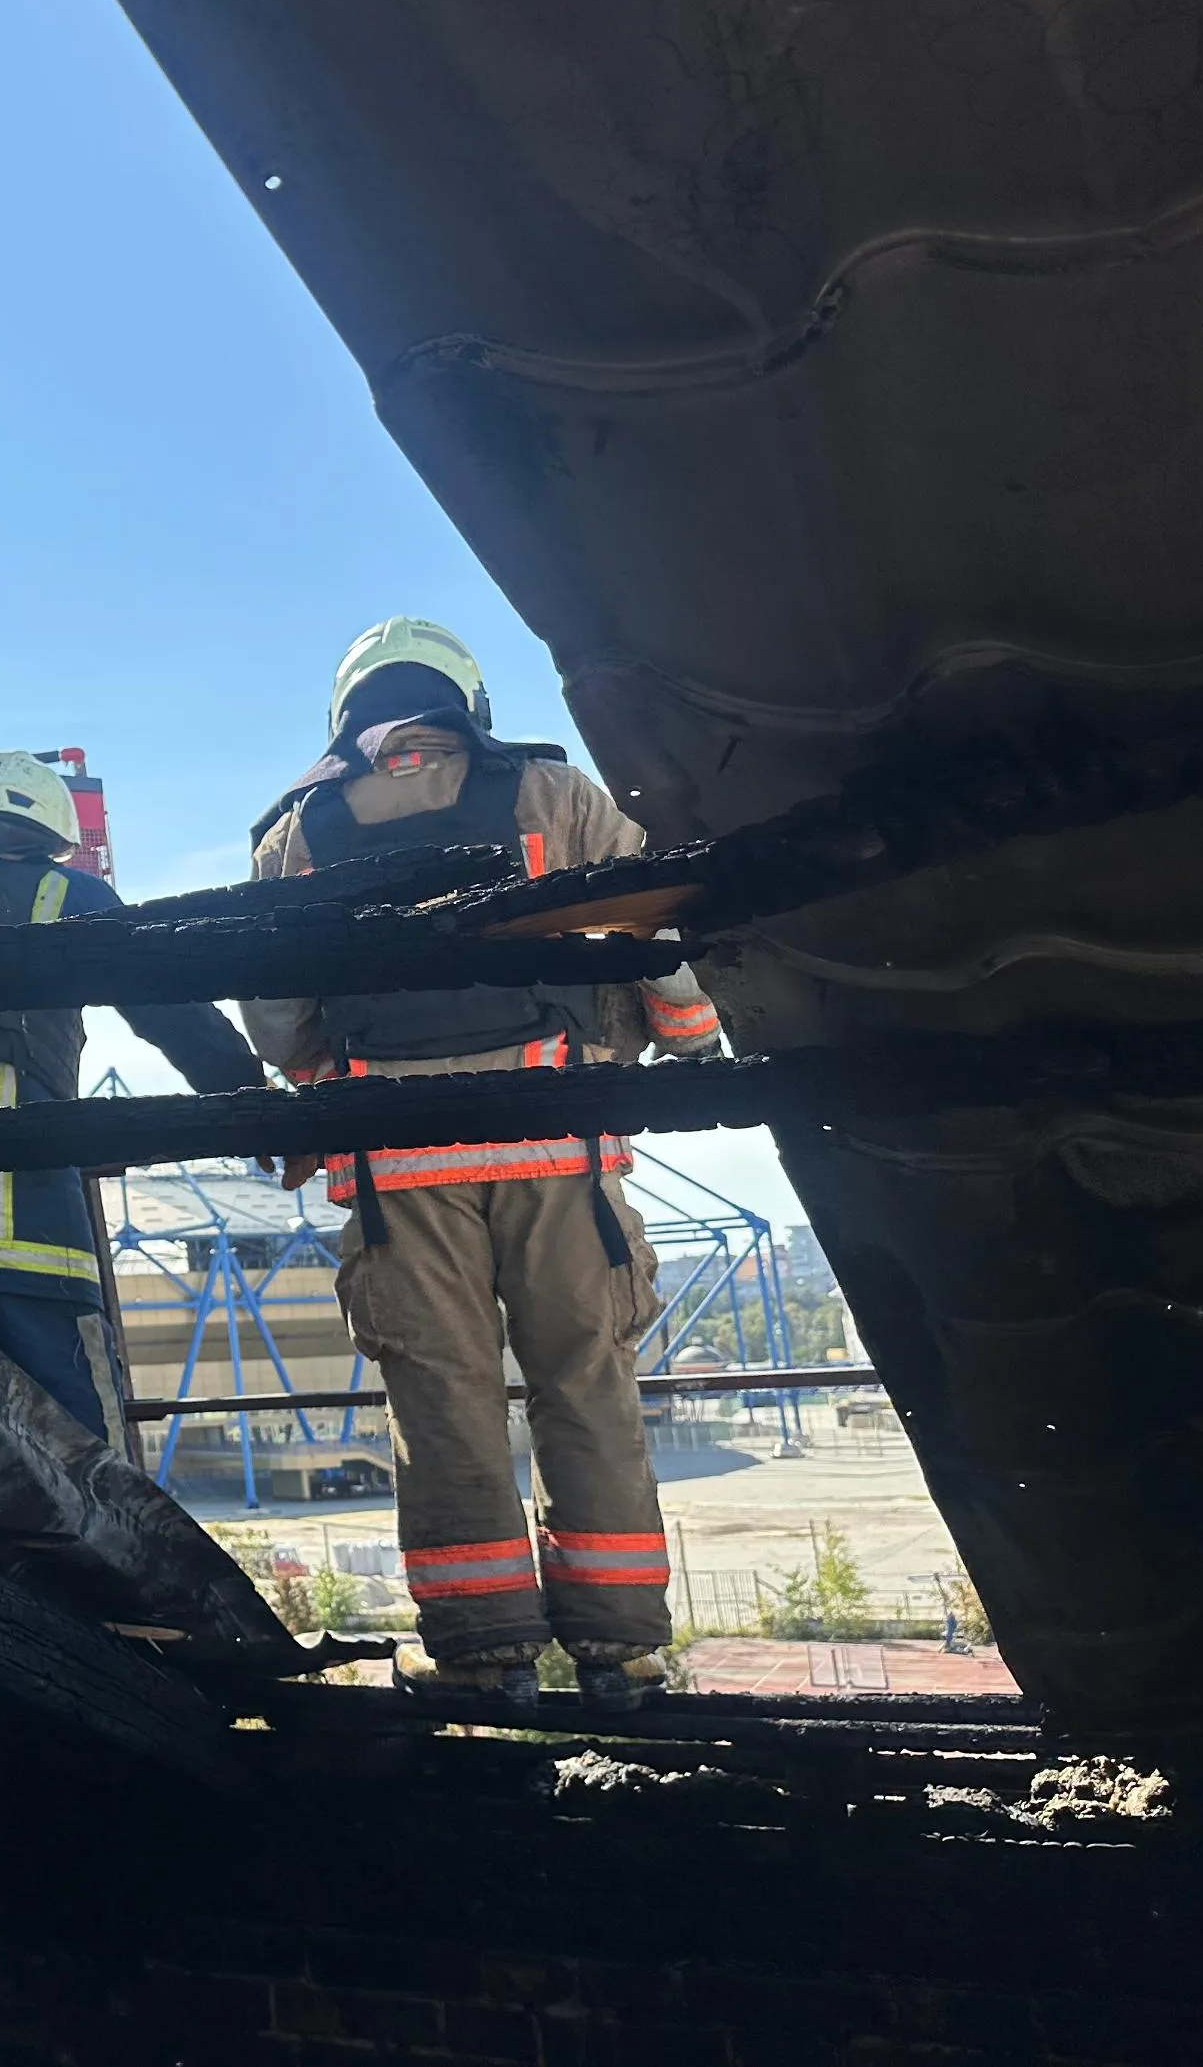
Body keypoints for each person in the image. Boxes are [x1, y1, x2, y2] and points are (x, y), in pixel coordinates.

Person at [238, 618, 725, 1715]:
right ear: (469, 700)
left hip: (398, 1171)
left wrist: (334, 1080)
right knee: (585, 1382)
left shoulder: (297, 832)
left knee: (443, 1404)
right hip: (559, 1145)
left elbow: (277, 1021)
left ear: (347, 713)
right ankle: (618, 1651)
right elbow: (653, 932)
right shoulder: (552, 795)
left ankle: (483, 1652)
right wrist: (689, 1040)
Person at [0, 751, 267, 1440]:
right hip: (28, 1239)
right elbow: (169, 1005)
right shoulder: (68, 895)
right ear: (49, 830)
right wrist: (251, 1100)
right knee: (78, 1447)